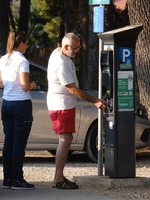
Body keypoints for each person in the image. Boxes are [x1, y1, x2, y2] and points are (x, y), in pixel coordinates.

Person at [47, 32, 106, 190]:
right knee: (65, 140)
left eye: (78, 47)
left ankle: (59, 176)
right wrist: (95, 101)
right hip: (62, 105)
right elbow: (72, 89)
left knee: (66, 139)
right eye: (75, 48)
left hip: (64, 104)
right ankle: (58, 179)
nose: (77, 51)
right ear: (65, 47)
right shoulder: (61, 63)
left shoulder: (59, 53)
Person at [0, 31, 37, 190]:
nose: (27, 45)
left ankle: (7, 180)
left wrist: (11, 85)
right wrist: (33, 85)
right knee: (19, 143)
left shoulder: (3, 59)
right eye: (27, 43)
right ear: (22, 43)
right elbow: (25, 85)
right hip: (21, 104)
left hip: (6, 103)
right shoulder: (22, 61)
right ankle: (17, 179)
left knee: (8, 142)